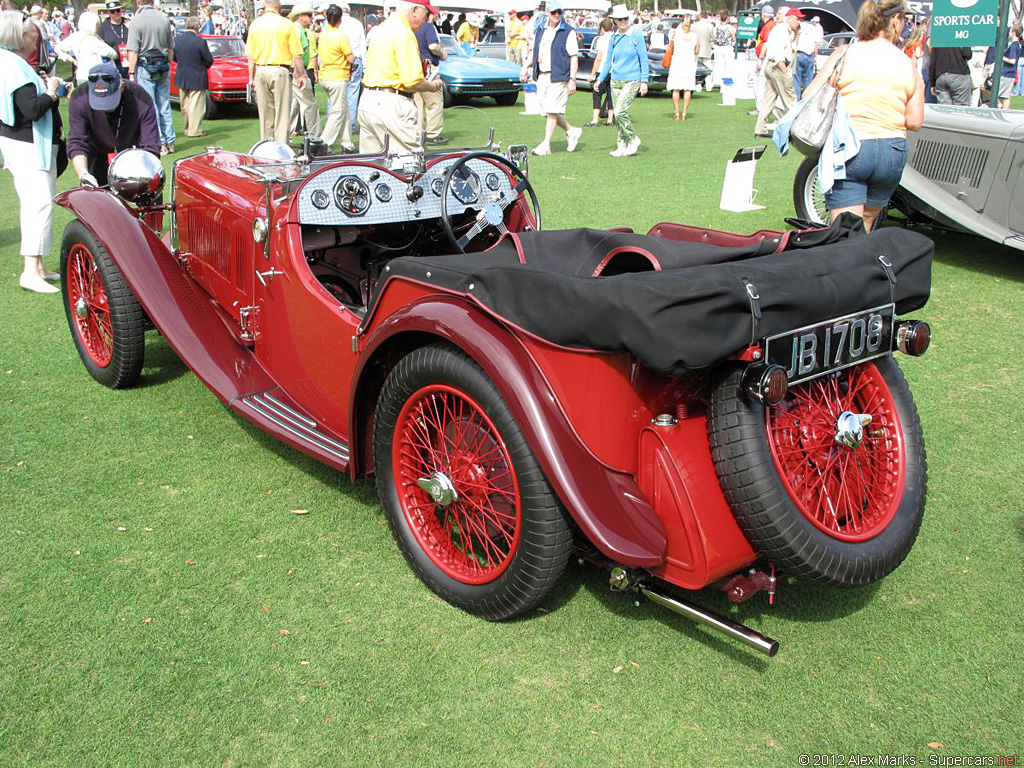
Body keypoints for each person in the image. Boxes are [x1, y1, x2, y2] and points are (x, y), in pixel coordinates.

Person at [802, 0, 923, 231]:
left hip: (852, 147)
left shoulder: (845, 53)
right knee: (865, 225)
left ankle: (844, 265)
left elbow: (809, 94)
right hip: (892, 152)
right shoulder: (907, 64)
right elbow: (915, 121)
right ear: (895, 22)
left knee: (846, 232)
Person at [0, 10, 64, 294]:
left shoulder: (10, 63)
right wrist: (51, 91)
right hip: (27, 143)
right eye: (30, 33)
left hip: (21, 142)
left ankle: (37, 266)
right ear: (18, 35)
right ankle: (30, 271)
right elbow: (32, 110)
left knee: (36, 203)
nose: (34, 37)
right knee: (39, 204)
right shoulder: (13, 66)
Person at [358, 0, 442, 154]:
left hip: (368, 99)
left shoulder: (380, 29)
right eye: (427, 13)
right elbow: (413, 81)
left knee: (371, 166)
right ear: (415, 10)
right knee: (408, 162)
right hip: (392, 103)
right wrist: (434, 86)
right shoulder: (404, 32)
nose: (427, 18)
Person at [68, 61, 160, 189]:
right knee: (97, 203)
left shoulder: (140, 98)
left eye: (110, 100)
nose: (106, 108)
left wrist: (141, 174)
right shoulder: (79, 98)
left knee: (148, 194)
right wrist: (83, 174)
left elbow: (151, 145)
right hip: (97, 154)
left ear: (121, 86)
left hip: (136, 156)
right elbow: (77, 141)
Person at [520, 0, 580, 156]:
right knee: (547, 111)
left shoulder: (568, 31)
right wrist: (525, 67)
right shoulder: (540, 30)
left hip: (559, 76)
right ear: (547, 12)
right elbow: (535, 53)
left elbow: (574, 57)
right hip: (542, 75)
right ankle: (571, 130)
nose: (557, 15)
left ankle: (546, 144)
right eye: (554, 12)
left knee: (552, 111)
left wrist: (572, 79)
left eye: (560, 12)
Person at [245, 0, 304, 144]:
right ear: (278, 7)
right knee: (282, 112)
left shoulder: (256, 24)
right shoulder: (286, 24)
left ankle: (265, 146)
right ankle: (281, 146)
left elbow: (250, 56)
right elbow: (296, 54)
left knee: (265, 113)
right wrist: (301, 75)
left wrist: (251, 78)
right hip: (279, 69)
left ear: (265, 6)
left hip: (261, 70)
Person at [595, 4, 649, 157]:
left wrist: (644, 81)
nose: (624, 21)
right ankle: (621, 144)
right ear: (615, 21)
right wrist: (600, 79)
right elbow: (608, 62)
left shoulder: (636, 34)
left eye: (625, 18)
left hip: (632, 79)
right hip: (615, 79)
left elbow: (643, 58)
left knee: (619, 112)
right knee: (618, 116)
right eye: (620, 19)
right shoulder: (613, 37)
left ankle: (632, 139)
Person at [127, 0, 174, 155]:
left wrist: (131, 73)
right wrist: (169, 63)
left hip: (145, 65)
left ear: (139, 2)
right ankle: (170, 140)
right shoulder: (163, 19)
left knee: (150, 105)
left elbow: (133, 51)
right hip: (163, 64)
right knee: (164, 104)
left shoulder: (136, 22)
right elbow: (170, 48)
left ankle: (159, 142)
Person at [754, 7, 801, 138]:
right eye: (797, 19)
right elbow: (779, 53)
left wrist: (797, 34)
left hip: (772, 66)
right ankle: (795, 131)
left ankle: (760, 129)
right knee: (790, 101)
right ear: (790, 18)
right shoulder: (782, 31)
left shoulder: (787, 31)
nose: (799, 22)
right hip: (779, 67)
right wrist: (785, 70)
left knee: (768, 100)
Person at [318, 4, 355, 152]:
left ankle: (347, 143)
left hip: (325, 76)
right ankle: (323, 144)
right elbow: (350, 58)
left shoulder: (323, 34)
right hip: (338, 77)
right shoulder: (341, 36)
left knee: (343, 110)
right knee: (338, 112)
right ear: (340, 19)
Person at [173, 15, 212, 138]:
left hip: (182, 75)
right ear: (198, 27)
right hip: (197, 75)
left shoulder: (177, 40)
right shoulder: (200, 42)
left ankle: (187, 128)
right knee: (196, 105)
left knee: (184, 105)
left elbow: (174, 57)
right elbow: (208, 60)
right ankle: (194, 130)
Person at [56, 11, 117, 85]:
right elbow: (113, 54)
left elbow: (58, 48)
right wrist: (102, 41)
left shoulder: (75, 36)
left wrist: (73, 61)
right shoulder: (93, 40)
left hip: (81, 75)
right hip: (95, 76)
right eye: (97, 24)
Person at [414, 12, 447, 144]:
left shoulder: (410, 29)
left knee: (417, 103)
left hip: (413, 68)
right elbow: (433, 46)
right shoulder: (428, 27)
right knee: (434, 102)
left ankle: (418, 134)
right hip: (428, 67)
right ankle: (433, 134)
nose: (436, 18)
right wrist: (442, 54)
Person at [288, 2, 319, 138]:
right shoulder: (298, 30)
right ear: (301, 16)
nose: (312, 18)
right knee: (311, 104)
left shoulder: (297, 29)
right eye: (309, 15)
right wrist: (301, 74)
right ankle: (315, 138)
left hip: (294, 71)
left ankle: (284, 136)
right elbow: (297, 55)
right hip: (298, 71)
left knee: (294, 106)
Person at [339, 3, 365, 140]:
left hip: (338, 60)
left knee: (336, 96)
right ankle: (351, 125)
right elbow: (363, 44)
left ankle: (337, 125)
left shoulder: (334, 24)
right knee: (352, 95)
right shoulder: (357, 24)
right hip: (356, 58)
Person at [584, 17, 614, 127]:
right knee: (611, 95)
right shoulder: (616, 37)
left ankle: (595, 120)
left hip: (602, 70)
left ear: (602, 28)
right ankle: (610, 119)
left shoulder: (602, 39)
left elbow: (599, 57)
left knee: (597, 95)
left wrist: (592, 73)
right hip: (614, 71)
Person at [667, 15, 698, 121]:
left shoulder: (676, 34)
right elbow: (697, 50)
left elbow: (671, 45)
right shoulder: (694, 35)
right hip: (689, 63)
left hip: (677, 62)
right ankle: (684, 112)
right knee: (687, 89)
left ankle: (676, 112)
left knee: (675, 89)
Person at [793, 14, 821, 100]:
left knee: (796, 81)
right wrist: (815, 58)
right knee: (808, 81)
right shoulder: (813, 29)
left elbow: (794, 42)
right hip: (809, 55)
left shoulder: (798, 28)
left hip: (799, 53)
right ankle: (806, 101)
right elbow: (815, 44)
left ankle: (797, 102)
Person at [98, 0, 129, 76]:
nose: (116, 13)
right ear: (108, 13)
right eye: (112, 11)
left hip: (130, 61)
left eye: (118, 10)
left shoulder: (128, 23)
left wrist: (130, 28)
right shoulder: (103, 27)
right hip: (113, 63)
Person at [996, 24, 1021, 109]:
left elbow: (1012, 60)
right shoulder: (1018, 44)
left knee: (1002, 95)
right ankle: (1004, 109)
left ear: (1013, 32)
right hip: (1010, 73)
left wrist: (1001, 57)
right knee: (1005, 95)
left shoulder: (1014, 45)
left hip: (1007, 73)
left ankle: (1003, 110)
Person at [711, 9, 735, 91]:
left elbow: (714, 38)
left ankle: (721, 86)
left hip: (719, 47)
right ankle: (727, 85)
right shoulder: (729, 27)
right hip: (727, 47)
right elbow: (733, 38)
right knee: (728, 67)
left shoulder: (717, 27)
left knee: (720, 67)